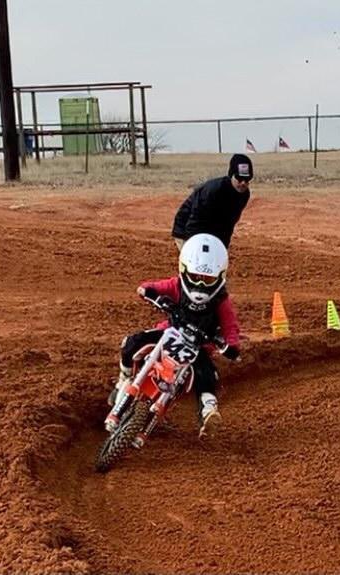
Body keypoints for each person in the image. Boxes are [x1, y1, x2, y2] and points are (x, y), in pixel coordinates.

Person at [109, 233, 243, 437]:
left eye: (208, 279)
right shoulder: (176, 285)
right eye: (196, 277)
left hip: (199, 347)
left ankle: (208, 410)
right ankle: (124, 378)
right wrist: (150, 293)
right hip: (169, 332)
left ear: (220, 276)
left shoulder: (221, 301)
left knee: (207, 374)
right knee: (131, 343)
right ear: (184, 270)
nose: (201, 284)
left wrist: (230, 345)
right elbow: (150, 287)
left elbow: (230, 327)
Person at [171, 153, 253, 250]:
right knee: (197, 260)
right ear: (231, 176)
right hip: (186, 228)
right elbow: (195, 221)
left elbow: (228, 225)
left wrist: (222, 248)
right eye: (239, 178)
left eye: (247, 179)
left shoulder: (244, 195)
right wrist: (193, 246)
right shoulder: (214, 191)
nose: (243, 183)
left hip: (211, 230)